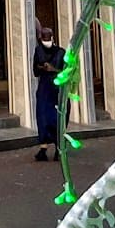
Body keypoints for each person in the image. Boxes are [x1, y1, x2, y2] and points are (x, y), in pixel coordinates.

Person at [33, 24, 66, 161]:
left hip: (57, 89)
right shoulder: (39, 51)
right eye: (44, 38)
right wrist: (42, 67)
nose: (46, 41)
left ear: (52, 38)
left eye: (48, 38)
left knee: (56, 118)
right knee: (42, 117)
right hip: (44, 88)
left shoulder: (61, 52)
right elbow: (35, 71)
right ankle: (43, 148)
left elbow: (67, 71)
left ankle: (59, 149)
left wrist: (53, 69)